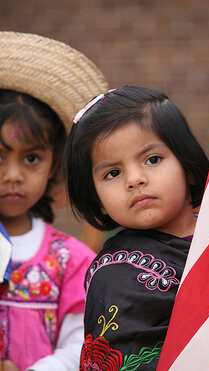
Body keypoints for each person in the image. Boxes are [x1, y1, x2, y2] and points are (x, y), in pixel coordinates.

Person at [63, 85, 209, 370]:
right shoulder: (115, 276)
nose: (134, 179)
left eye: (152, 159)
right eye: (112, 173)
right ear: (98, 199)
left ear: (187, 165)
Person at [0, 31, 109, 371]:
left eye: (31, 158)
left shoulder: (70, 261)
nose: (13, 175)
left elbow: (82, 344)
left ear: (54, 163)